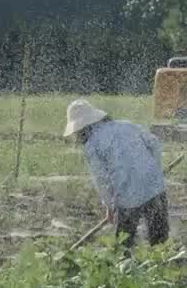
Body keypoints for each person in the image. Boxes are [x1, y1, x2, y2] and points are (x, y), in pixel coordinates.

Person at [64, 99, 169, 246]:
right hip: (156, 189)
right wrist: (155, 170)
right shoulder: (126, 125)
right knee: (161, 244)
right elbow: (155, 144)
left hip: (127, 197)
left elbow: (102, 180)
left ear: (80, 129)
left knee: (123, 246)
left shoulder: (91, 145)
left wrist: (109, 205)